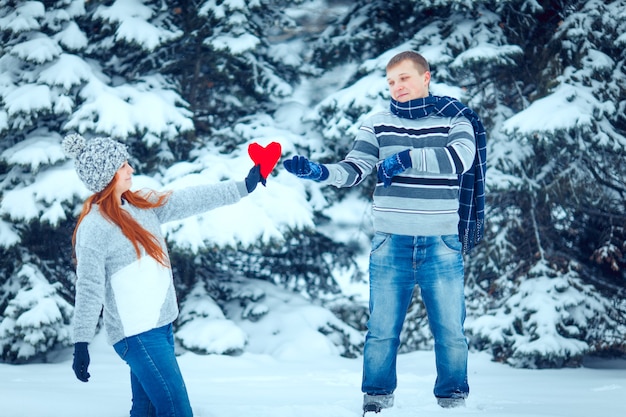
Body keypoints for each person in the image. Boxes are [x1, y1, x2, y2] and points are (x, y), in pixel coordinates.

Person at [283, 50, 486, 413]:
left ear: (426, 78)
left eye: (404, 78)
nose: (397, 87)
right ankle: (376, 400)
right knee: (381, 331)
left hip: (441, 241)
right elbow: (355, 168)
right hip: (390, 242)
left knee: (451, 332)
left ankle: (453, 401)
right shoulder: (377, 123)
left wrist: (405, 157)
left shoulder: (456, 119)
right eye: (391, 82)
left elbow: (460, 159)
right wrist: (318, 172)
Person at [64, 132, 265, 417]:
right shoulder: (94, 227)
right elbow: (88, 286)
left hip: (162, 325)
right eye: (123, 165)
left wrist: (243, 187)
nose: (130, 169)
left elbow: (191, 198)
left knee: (145, 409)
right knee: (177, 410)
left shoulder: (142, 204)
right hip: (136, 335)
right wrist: (81, 342)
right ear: (106, 174)